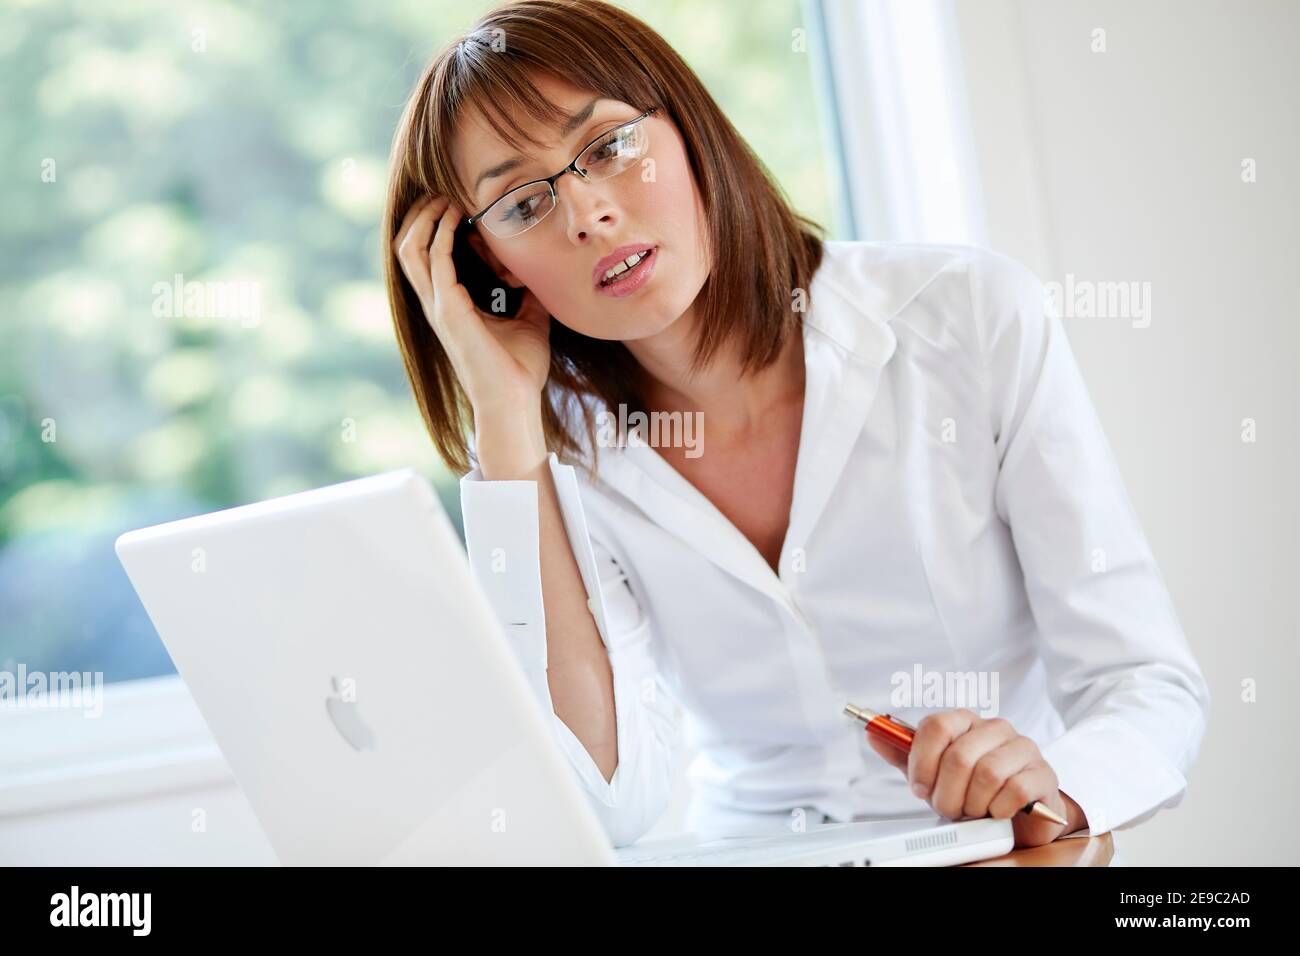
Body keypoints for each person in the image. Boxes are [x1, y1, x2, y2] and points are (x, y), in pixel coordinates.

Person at [383, 0, 1209, 854]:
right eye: (520, 204)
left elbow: (1144, 684)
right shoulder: (544, 444)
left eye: (610, 146)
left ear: (691, 127)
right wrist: (507, 422)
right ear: (487, 266)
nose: (587, 213)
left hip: (992, 847)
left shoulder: (967, 317)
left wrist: (1061, 787)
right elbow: (603, 805)